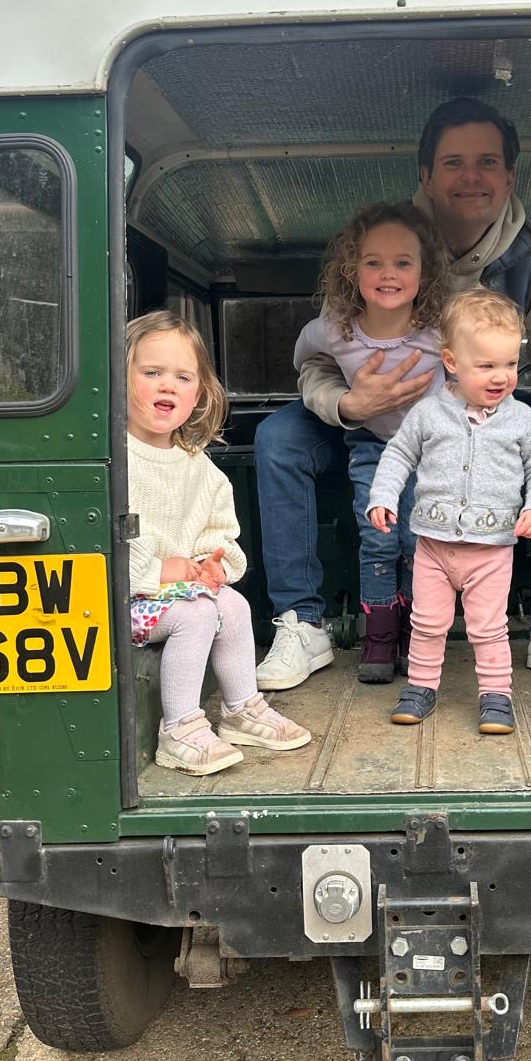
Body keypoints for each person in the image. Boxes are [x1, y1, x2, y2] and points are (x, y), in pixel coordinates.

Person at [255, 95, 531, 693]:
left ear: (509, 175)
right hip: (365, 415)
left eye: (487, 162)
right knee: (276, 438)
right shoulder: (382, 244)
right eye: (453, 162)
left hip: (472, 410)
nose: (470, 176)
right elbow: (320, 361)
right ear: (426, 174)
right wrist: (348, 406)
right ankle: (302, 621)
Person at [368, 288, 531, 735]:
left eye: (511, 364)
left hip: (491, 550)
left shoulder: (523, 420)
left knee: (489, 628)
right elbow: (398, 455)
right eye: (487, 366)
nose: (501, 376)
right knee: (428, 622)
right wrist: (382, 496)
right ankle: (420, 687)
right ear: (452, 362)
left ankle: (496, 697)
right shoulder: (429, 413)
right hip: (433, 546)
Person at [126, 309, 311, 776]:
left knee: (231, 604)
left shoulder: (198, 466)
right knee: (196, 613)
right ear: (119, 379)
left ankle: (240, 708)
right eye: (152, 373)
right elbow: (105, 541)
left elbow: (221, 534)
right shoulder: (116, 459)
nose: (168, 385)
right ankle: (180, 728)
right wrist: (157, 571)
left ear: (200, 393)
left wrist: (218, 565)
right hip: (124, 598)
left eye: (182, 377)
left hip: (177, 592)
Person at [291, 201, 448, 684]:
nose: (388, 273)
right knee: (378, 538)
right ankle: (378, 640)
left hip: (435, 452)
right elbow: (304, 358)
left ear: (426, 272)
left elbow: (486, 354)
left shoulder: (442, 329)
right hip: (374, 448)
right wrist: (345, 397)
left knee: (420, 542)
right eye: (373, 262)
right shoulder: (334, 331)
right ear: (351, 270)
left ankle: (414, 639)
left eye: (403, 263)